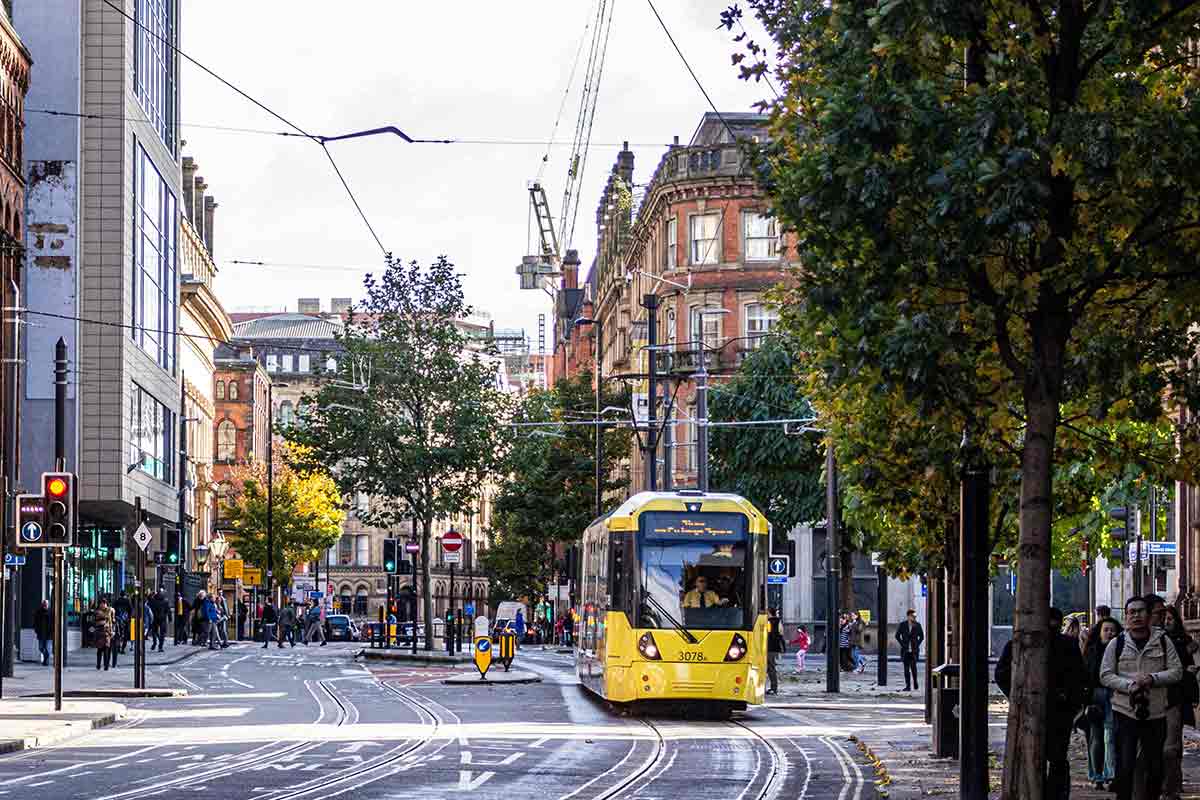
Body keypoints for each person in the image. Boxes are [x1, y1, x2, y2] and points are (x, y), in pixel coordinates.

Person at [996, 607, 1088, 799]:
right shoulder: (1019, 644)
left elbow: (1079, 679)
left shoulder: (1064, 645)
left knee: (1054, 758)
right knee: (1053, 758)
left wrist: (1069, 701)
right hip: (1048, 709)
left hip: (1056, 711)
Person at [1101, 595, 1182, 800]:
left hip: (1156, 713)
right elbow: (1105, 675)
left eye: (1140, 611)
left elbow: (1176, 672)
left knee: (1155, 768)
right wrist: (1129, 686)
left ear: (1148, 616)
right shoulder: (1116, 643)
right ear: (1126, 617)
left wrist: (1152, 679)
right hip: (1124, 712)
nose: (1136, 616)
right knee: (1125, 766)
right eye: (1131, 612)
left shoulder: (1163, 641)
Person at [1161, 604, 1197, 800]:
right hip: (1160, 697)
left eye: (1170, 618)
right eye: (1164, 618)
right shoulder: (1158, 641)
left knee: (1173, 744)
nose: (1167, 622)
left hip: (1178, 696)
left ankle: (1173, 784)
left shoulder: (1185, 641)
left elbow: (1191, 670)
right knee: (1167, 744)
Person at [1084, 616, 1121, 789]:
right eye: (1106, 629)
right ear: (1099, 633)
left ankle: (1111, 774)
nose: (1109, 633)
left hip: (1115, 694)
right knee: (1096, 737)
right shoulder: (1092, 650)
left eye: (1112, 630)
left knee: (1111, 736)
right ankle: (1096, 775)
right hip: (1096, 696)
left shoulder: (1121, 650)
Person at [895, 609, 924, 691]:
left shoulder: (917, 625)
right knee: (906, 669)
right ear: (908, 616)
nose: (914, 617)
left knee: (914, 668)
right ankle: (908, 686)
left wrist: (917, 644)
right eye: (912, 616)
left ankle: (915, 682)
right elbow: (897, 636)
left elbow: (922, 636)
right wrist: (903, 644)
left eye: (915, 616)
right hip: (905, 650)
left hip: (914, 651)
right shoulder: (902, 625)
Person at [766, 608, 785, 695]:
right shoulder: (778, 621)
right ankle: (773, 688)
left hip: (768, 647)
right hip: (774, 647)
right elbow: (781, 634)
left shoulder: (768, 621)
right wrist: (782, 648)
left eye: (767, 612)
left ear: (769, 613)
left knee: (770, 668)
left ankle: (773, 688)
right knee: (771, 668)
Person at [94, 597, 115, 671]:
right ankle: (98, 665)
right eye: (101, 604)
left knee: (106, 649)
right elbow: (98, 620)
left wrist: (112, 630)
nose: (102, 605)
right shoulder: (98, 612)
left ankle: (106, 666)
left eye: (104, 603)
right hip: (100, 633)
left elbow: (112, 621)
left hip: (107, 633)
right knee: (99, 650)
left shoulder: (110, 610)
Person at [33, 599, 52, 666]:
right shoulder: (38, 612)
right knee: (41, 648)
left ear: (48, 605)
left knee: (47, 648)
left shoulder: (51, 613)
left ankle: (46, 661)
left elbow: (53, 624)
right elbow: (35, 622)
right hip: (41, 634)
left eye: (46, 604)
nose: (45, 605)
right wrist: (36, 630)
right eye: (44, 604)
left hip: (49, 634)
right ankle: (45, 659)